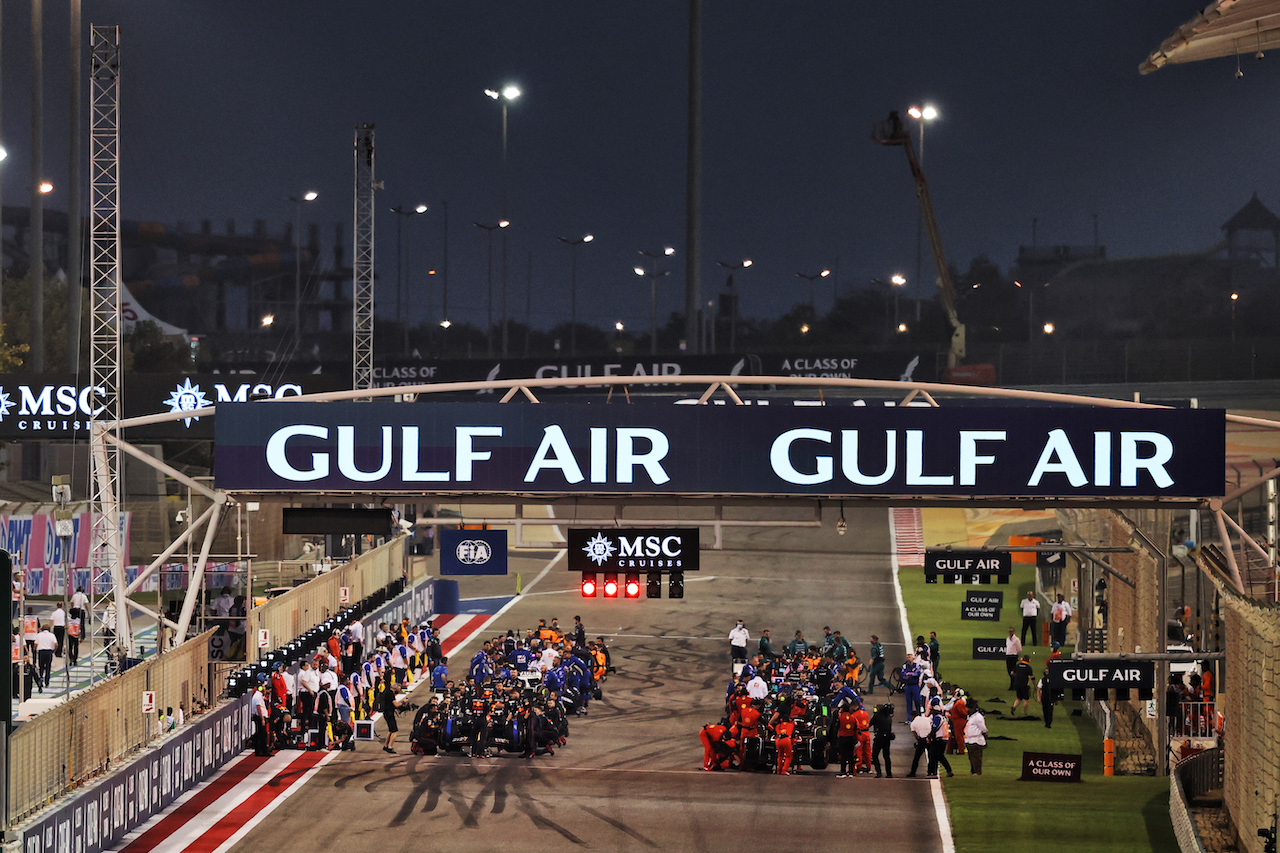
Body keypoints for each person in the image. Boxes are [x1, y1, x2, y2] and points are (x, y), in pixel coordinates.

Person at [905, 708, 934, 778]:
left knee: (917, 757)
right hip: (929, 738)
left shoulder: (913, 723)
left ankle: (913, 772)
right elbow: (931, 724)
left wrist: (918, 741)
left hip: (922, 739)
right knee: (931, 756)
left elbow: (914, 733)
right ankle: (931, 772)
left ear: (912, 716)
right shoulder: (926, 719)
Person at [870, 702, 894, 778]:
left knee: (875, 755)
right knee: (886, 756)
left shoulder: (877, 716)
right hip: (887, 738)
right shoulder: (889, 718)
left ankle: (879, 772)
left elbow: (869, 724)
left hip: (879, 737)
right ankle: (889, 773)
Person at [835, 705, 860, 777]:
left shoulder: (840, 718)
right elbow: (856, 729)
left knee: (843, 756)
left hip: (843, 738)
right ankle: (851, 772)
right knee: (851, 756)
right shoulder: (853, 718)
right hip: (851, 738)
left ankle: (843, 772)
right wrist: (856, 739)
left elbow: (836, 728)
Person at [964, 702, 987, 774]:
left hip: (976, 740)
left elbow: (983, 728)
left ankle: (977, 771)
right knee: (971, 757)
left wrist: (984, 733)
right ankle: (973, 770)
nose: (967, 710)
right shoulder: (972, 716)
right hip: (970, 740)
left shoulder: (978, 717)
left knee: (976, 757)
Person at [900, 652, 923, 719]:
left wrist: (909, 674)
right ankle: (910, 718)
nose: (908, 658)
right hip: (908, 685)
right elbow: (903, 675)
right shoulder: (905, 666)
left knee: (917, 701)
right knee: (908, 702)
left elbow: (918, 674)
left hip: (915, 685)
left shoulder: (917, 665)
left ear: (913, 658)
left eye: (909, 657)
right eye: (907, 657)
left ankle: (919, 715)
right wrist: (912, 674)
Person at [34, 623, 58, 688]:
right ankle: (47, 682)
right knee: (48, 668)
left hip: (41, 652)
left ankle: (41, 679)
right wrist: (54, 651)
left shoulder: (38, 635)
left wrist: (35, 650)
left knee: (41, 667)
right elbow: (56, 644)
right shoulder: (52, 635)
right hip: (49, 651)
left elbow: (35, 644)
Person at [252, 685, 272, 756]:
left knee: (259, 734)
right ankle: (263, 751)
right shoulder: (257, 697)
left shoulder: (260, 696)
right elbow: (258, 708)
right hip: (259, 717)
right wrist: (262, 719)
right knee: (262, 735)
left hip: (260, 716)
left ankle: (259, 751)